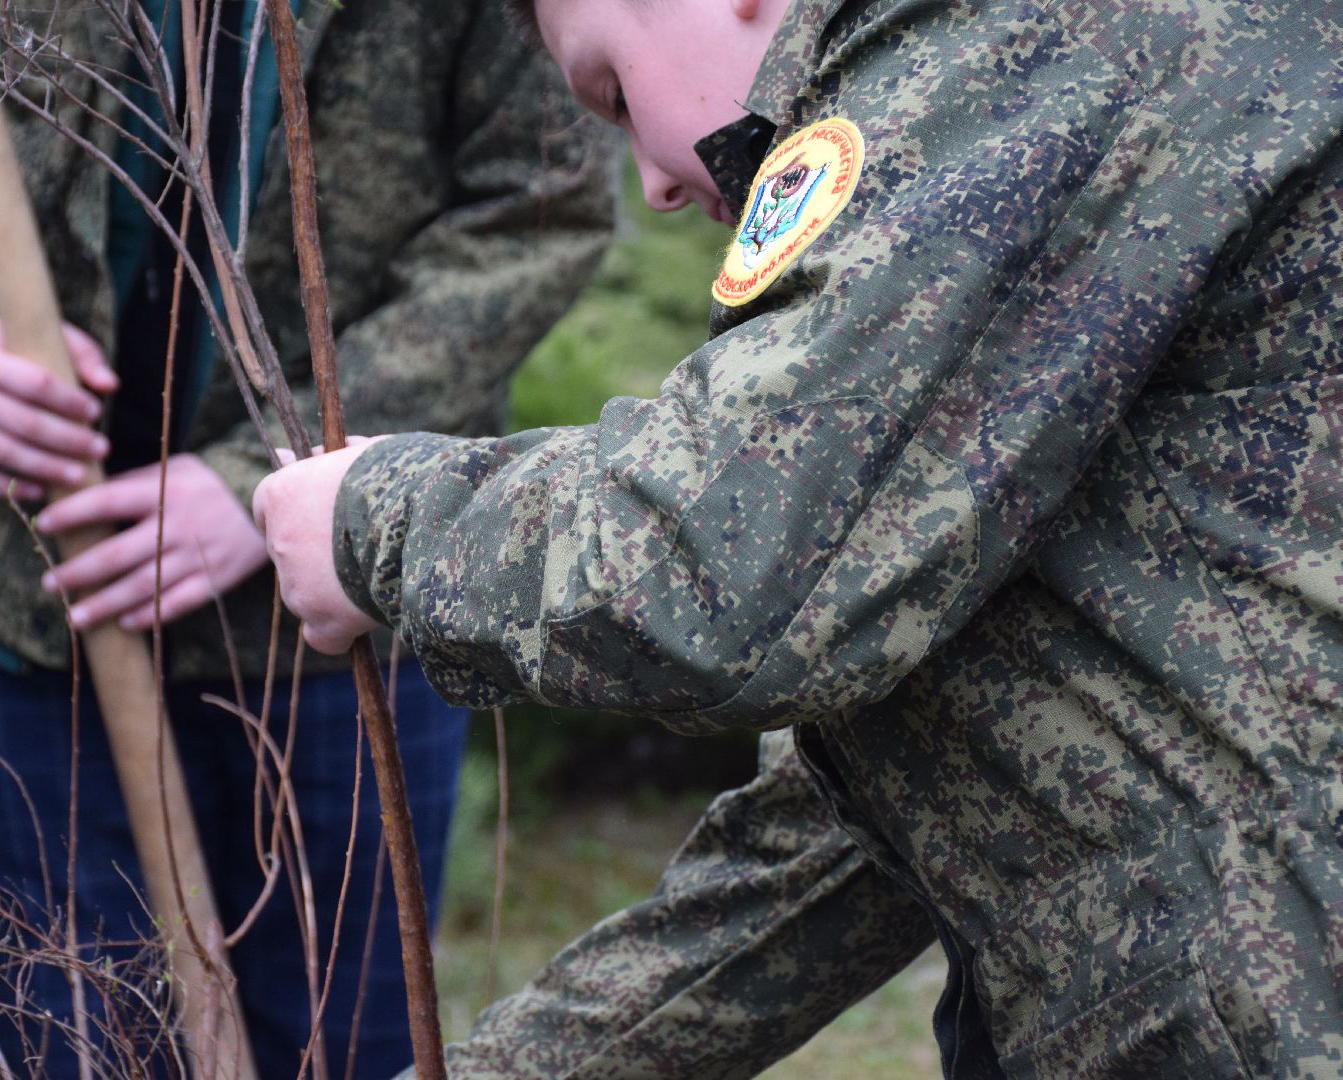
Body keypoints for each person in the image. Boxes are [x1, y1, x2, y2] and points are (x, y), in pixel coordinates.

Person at [255, 0, 1343, 1074]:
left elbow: (714, 567)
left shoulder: (1035, 45)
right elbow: (846, 828)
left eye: (612, 93)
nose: (657, 184)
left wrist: (374, 519)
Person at [0, 0, 614, 1075]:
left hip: (340, 609)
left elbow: (540, 200)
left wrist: (287, 470)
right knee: (77, 1037)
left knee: (344, 1040)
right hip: (27, 585)